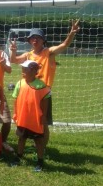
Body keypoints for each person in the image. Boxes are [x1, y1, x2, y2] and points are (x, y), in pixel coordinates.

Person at [9, 19, 80, 147]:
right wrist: (13, 50)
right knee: (26, 120)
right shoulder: (27, 55)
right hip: (27, 94)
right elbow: (13, 60)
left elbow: (64, 45)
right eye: (32, 38)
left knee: (43, 122)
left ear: (43, 40)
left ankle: (42, 148)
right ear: (29, 41)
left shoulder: (49, 53)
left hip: (42, 95)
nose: (34, 40)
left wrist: (72, 33)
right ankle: (26, 145)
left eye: (37, 38)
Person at [11, 60, 51, 172]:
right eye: (22, 69)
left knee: (38, 141)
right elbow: (16, 99)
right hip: (23, 118)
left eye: (25, 69)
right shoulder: (20, 83)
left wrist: (43, 117)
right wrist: (16, 113)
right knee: (21, 138)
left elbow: (45, 101)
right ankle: (18, 157)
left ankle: (40, 161)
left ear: (34, 71)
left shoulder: (41, 85)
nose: (22, 71)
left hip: (35, 119)